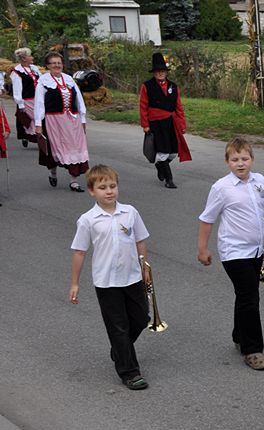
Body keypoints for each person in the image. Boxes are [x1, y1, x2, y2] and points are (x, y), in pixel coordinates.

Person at [69, 165, 151, 390]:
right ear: (91, 191)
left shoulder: (130, 212)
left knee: (141, 319)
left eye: (112, 186)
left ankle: (119, 349)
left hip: (133, 277)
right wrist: (75, 283)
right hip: (106, 282)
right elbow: (79, 251)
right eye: (102, 187)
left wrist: (145, 268)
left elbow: (140, 241)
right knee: (119, 327)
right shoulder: (88, 220)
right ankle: (130, 372)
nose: (109, 191)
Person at [197, 138, 264, 371]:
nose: (240, 164)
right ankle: (252, 350)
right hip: (233, 251)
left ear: (252, 159)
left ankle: (239, 334)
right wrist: (202, 248)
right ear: (227, 162)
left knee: (246, 295)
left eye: (245, 159)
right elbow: (207, 219)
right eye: (235, 159)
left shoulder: (260, 182)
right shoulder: (222, 188)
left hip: (256, 250)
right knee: (250, 296)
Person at [34, 51, 89, 192]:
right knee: (54, 148)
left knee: (75, 147)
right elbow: (39, 104)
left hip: (72, 119)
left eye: (59, 63)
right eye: (53, 63)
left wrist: (83, 119)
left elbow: (79, 100)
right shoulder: (43, 81)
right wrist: (38, 124)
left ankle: (74, 181)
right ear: (48, 65)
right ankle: (53, 172)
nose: (57, 65)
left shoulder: (69, 80)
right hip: (54, 121)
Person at [139, 52, 191, 189]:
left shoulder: (173, 86)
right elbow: (143, 106)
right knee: (163, 152)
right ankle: (169, 180)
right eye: (157, 71)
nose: (160, 74)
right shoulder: (147, 86)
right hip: (156, 123)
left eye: (162, 71)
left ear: (166, 72)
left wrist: (182, 125)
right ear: (154, 73)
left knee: (173, 152)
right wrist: (145, 125)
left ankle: (160, 165)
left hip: (171, 122)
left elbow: (178, 107)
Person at [11, 47, 41, 149]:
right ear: (24, 58)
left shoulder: (34, 69)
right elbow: (17, 88)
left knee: (40, 117)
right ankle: (29, 136)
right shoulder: (17, 72)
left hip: (37, 98)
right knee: (31, 119)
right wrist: (20, 103)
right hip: (27, 99)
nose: (32, 57)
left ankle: (40, 138)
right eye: (30, 56)